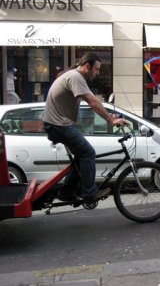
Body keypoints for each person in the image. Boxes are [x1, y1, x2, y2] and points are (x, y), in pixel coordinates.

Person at [43, 52, 127, 203]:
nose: (98, 73)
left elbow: (94, 102)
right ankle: (89, 194)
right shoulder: (76, 77)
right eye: (96, 69)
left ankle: (67, 192)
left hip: (57, 124)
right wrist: (110, 121)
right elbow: (92, 102)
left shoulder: (73, 75)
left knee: (81, 156)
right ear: (87, 66)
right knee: (88, 153)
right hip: (58, 125)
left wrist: (110, 116)